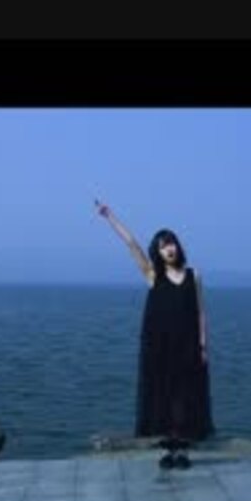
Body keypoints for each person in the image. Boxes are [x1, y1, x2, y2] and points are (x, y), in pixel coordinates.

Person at [96, 198, 215, 470]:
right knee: (164, 397)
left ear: (178, 246)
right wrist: (110, 217)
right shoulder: (152, 275)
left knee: (186, 398)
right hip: (160, 348)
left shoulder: (194, 274)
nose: (168, 248)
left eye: (171, 243)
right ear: (157, 252)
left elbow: (201, 312)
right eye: (162, 246)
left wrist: (203, 345)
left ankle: (183, 450)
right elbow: (132, 244)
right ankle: (170, 450)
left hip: (188, 347)